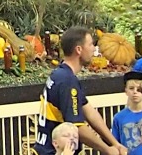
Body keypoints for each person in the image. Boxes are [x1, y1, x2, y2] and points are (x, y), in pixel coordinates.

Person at [34, 26, 126, 155]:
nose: (94, 49)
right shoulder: (67, 81)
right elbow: (77, 127)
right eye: (90, 44)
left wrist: (114, 143)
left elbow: (90, 112)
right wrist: (107, 150)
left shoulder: (61, 74)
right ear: (79, 49)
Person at [111, 71, 142, 155]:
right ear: (126, 91)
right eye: (131, 88)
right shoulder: (119, 117)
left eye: (138, 89)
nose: (135, 92)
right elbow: (115, 143)